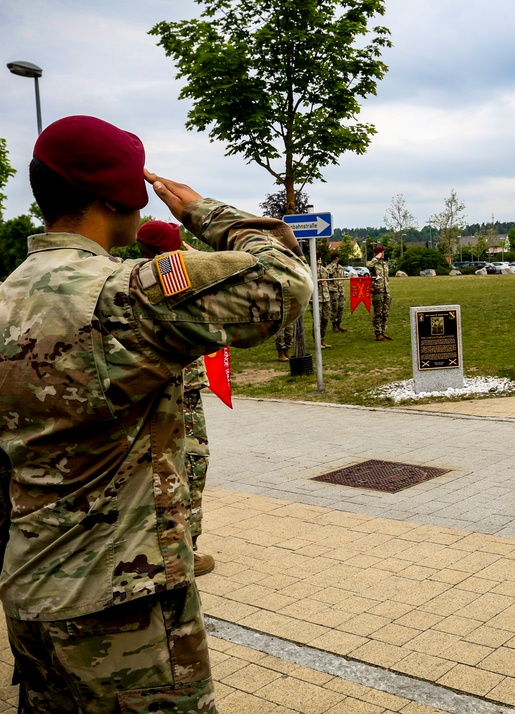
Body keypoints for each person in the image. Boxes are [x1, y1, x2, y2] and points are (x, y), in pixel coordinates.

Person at [0, 115, 312, 711]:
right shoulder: (120, 295)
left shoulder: (7, 295)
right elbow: (284, 280)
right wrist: (203, 210)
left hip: (29, 597)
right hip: (122, 607)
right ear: (117, 197)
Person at [136, 220, 215, 577]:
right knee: (190, 466)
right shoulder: (169, 275)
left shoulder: (133, 275)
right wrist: (187, 253)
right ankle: (186, 552)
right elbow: (220, 277)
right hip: (181, 389)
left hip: (149, 387)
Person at [367, 244, 391, 340]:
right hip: (378, 291)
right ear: (378, 253)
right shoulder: (373, 263)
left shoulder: (384, 264)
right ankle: (378, 333)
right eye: (382, 252)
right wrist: (376, 258)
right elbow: (368, 265)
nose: (383, 254)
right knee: (378, 313)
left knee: (385, 313)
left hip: (386, 291)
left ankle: (383, 331)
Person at [315, 255, 332, 348]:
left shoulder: (324, 270)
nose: (319, 260)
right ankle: (317, 341)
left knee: (325, 319)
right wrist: (315, 281)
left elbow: (328, 282)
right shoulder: (310, 270)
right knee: (318, 320)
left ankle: (322, 340)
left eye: (320, 258)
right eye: (318, 258)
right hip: (317, 298)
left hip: (325, 297)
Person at [328, 250, 347, 333]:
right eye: (337, 258)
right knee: (334, 308)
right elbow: (330, 273)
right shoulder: (329, 267)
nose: (338, 259)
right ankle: (334, 325)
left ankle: (339, 324)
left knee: (341, 307)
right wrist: (334, 265)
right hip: (334, 290)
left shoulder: (341, 267)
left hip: (341, 290)